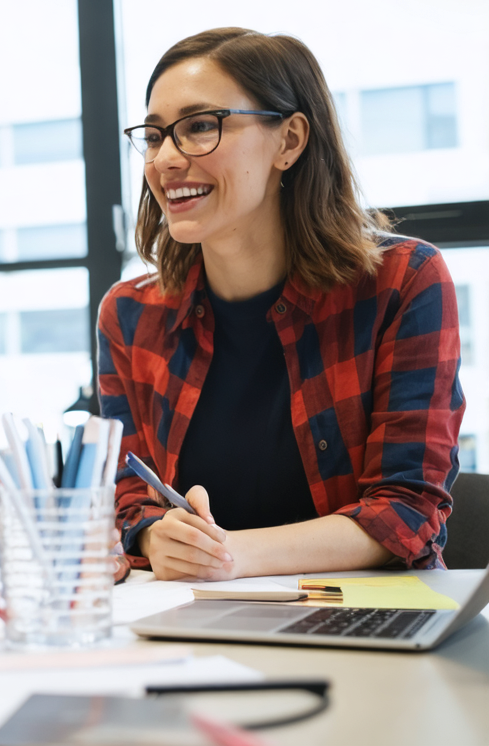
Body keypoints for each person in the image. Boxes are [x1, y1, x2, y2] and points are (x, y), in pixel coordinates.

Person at [98, 28, 463, 581]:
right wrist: (155, 534)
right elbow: (130, 496)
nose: (165, 159)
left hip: (358, 610)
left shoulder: (403, 281)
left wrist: (228, 555)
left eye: (200, 126)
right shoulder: (129, 315)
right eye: (153, 136)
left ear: (289, 141)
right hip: (191, 611)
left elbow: (406, 512)